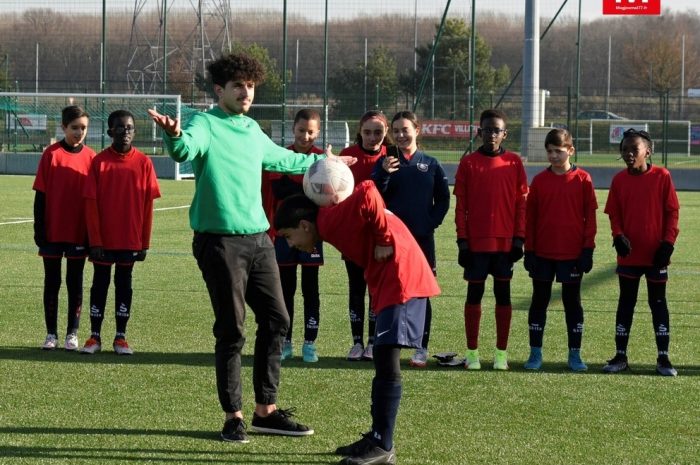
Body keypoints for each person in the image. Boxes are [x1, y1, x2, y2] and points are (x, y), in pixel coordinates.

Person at [147, 52, 355, 442]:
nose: (246, 92)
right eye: (238, 85)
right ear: (219, 89)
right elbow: (184, 150)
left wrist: (325, 163)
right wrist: (173, 134)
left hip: (260, 239)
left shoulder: (252, 130)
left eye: (251, 86)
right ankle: (233, 417)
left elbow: (287, 159)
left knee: (277, 320)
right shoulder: (204, 123)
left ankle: (266, 410)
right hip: (219, 243)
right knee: (232, 330)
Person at [274, 180, 440, 465]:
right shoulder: (327, 220)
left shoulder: (328, 222)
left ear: (304, 225)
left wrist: (384, 238)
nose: (291, 244)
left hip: (402, 278)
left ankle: (383, 446)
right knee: (382, 360)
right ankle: (377, 438)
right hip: (389, 278)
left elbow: (368, 191)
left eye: (289, 236)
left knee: (387, 363)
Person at [371, 111, 450, 368]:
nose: (401, 135)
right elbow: (374, 197)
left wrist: (430, 223)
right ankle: (383, 343)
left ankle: (421, 348)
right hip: (392, 241)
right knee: (388, 291)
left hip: (422, 242)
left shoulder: (431, 164)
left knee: (421, 294)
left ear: (417, 130)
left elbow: (443, 200)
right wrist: (382, 174)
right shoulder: (385, 163)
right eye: (396, 131)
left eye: (406, 129)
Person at [79, 109, 160, 356]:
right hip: (103, 241)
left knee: (124, 285)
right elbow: (90, 204)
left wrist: (144, 243)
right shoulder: (99, 162)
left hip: (130, 239)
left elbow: (148, 207)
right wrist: (95, 239)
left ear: (134, 132)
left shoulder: (144, 163)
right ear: (109, 132)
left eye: (129, 128)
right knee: (99, 285)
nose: (125, 132)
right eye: (120, 127)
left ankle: (120, 337)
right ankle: (94, 337)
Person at [454, 108, 528, 370]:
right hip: (476, 245)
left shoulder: (514, 163)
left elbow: (521, 204)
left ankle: (500, 354)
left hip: (504, 244)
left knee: (503, 296)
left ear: (504, 134)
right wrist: (463, 242)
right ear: (479, 132)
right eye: (487, 130)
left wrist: (519, 239)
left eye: (496, 130)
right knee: (474, 296)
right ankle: (472, 353)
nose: (491, 134)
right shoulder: (468, 163)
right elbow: (461, 206)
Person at [602, 128, 680, 377]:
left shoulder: (662, 176)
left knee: (658, 304)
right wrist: (617, 236)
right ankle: (621, 356)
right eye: (624, 149)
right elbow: (614, 214)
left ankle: (663, 358)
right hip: (629, 256)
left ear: (648, 151)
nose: (628, 154)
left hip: (657, 255)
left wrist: (668, 243)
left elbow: (672, 213)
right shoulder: (619, 180)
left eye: (634, 149)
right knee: (626, 303)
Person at [522, 128, 597, 372]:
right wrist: (529, 250)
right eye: (550, 151)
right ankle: (535, 353)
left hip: (572, 255)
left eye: (559, 151)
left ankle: (575, 354)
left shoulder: (583, 179)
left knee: (572, 303)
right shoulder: (540, 181)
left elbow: (590, 219)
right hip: (542, 253)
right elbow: (530, 219)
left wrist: (588, 249)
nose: (553, 156)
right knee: (539, 301)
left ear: (571, 150)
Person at [262, 108, 325, 363]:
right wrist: (311, 187)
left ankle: (310, 343)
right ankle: (286, 341)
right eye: (301, 130)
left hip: (311, 236)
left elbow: (329, 191)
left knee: (311, 289)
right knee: (285, 289)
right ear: (293, 129)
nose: (305, 136)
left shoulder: (323, 158)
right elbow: (280, 189)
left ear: (318, 132)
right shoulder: (283, 155)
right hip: (285, 234)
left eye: (311, 131)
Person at [33, 105, 96, 351]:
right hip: (52, 231)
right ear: (63, 127)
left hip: (78, 232)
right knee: (52, 281)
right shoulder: (50, 154)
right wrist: (40, 230)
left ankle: (72, 333)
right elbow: (40, 196)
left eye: (83, 128)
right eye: (74, 128)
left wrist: (92, 233)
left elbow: (94, 201)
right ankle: (51, 334)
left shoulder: (92, 157)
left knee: (75, 281)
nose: (79, 132)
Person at [339, 110, 393, 361]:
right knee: (355, 288)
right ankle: (356, 342)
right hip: (353, 234)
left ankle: (373, 341)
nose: (373, 137)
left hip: (380, 235)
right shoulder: (347, 156)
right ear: (359, 131)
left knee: (375, 289)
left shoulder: (391, 156)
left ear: (386, 133)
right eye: (368, 132)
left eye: (378, 132)